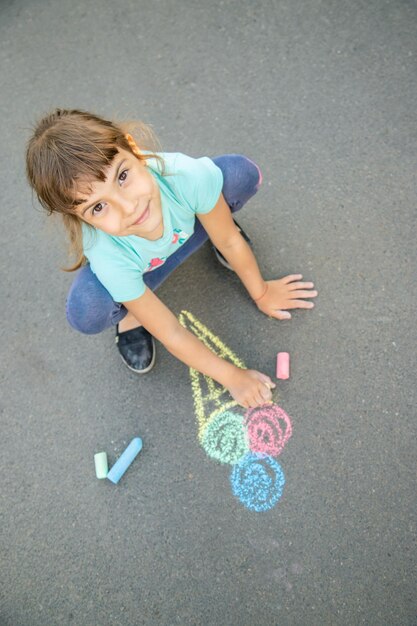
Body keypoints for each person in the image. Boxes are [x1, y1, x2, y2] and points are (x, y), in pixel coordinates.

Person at [26, 109, 317, 409]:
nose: (128, 208)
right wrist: (232, 377)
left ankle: (214, 222)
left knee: (239, 174)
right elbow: (171, 331)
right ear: (78, 217)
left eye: (122, 176)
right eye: (98, 207)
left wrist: (262, 291)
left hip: (189, 227)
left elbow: (231, 240)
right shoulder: (108, 255)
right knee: (86, 309)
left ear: (133, 148)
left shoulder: (184, 175)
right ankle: (132, 313)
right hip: (141, 269)